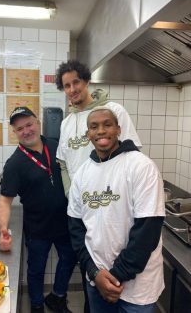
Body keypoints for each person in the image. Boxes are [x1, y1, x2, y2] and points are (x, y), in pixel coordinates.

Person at [55, 59, 142, 312]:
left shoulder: (112, 110)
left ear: (87, 82)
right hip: (84, 208)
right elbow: (62, 163)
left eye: (76, 82)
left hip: (112, 203)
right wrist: (71, 195)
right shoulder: (66, 123)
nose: (72, 89)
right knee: (88, 266)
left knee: (117, 260)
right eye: (66, 85)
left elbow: (132, 152)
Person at [67, 106, 165, 313]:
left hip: (138, 290)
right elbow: (77, 230)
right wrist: (95, 273)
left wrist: (115, 276)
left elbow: (147, 231)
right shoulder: (82, 174)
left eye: (107, 124)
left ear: (119, 130)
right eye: (94, 127)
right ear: (88, 135)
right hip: (97, 283)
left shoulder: (141, 166)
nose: (101, 131)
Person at [0, 106, 77, 313]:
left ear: (38, 122)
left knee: (69, 258)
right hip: (37, 228)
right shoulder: (15, 163)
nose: (26, 131)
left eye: (29, 124)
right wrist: (3, 230)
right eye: (20, 128)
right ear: (15, 132)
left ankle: (57, 296)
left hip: (65, 222)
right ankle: (37, 304)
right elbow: (5, 200)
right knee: (36, 270)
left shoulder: (55, 146)